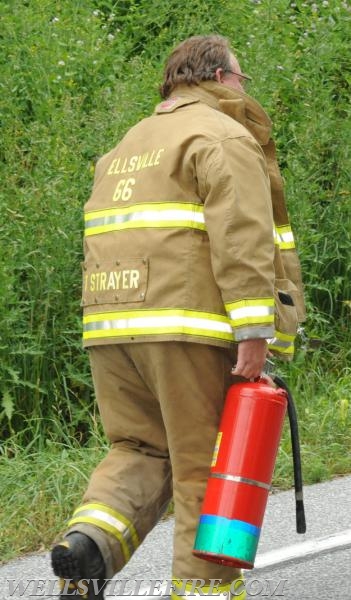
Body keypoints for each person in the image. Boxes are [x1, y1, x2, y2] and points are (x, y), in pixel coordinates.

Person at [51, 34, 305, 599]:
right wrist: (255, 328)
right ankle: (205, 594)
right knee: (205, 468)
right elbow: (242, 236)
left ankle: (87, 543)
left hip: (111, 328)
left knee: (138, 448)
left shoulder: (128, 143)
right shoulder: (221, 134)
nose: (244, 88)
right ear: (217, 77)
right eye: (241, 78)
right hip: (189, 331)